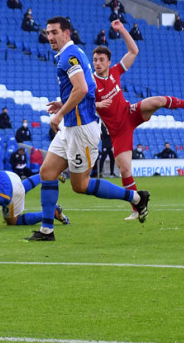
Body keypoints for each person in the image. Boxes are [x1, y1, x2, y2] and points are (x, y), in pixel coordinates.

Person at [33, 16, 151, 241]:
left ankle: (137, 198)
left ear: (67, 33)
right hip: (71, 126)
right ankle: (46, 231)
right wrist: (64, 103)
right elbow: (86, 90)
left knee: (80, 185)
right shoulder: (72, 54)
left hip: (81, 130)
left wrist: (59, 113)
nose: (50, 37)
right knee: (47, 172)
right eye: (48, 33)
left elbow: (81, 88)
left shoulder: (69, 56)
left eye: (54, 32)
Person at [93, 18, 184, 219]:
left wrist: (121, 29)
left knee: (156, 100)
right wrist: (97, 105)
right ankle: (137, 208)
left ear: (109, 62)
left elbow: (134, 51)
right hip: (117, 131)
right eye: (95, 60)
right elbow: (81, 102)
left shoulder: (115, 72)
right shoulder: (90, 83)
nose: (98, 63)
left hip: (130, 112)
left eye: (101, 60)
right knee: (125, 169)